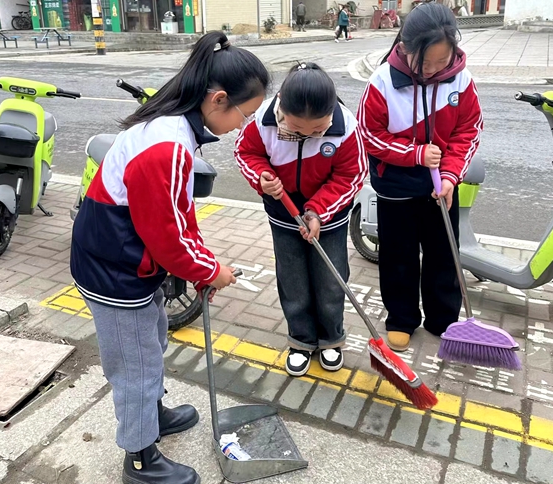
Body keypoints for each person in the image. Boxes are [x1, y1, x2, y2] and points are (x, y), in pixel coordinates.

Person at [70, 31, 269, 484]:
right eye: (246, 114)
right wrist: (208, 270)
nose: (244, 125)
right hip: (113, 272)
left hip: (124, 259)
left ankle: (152, 413)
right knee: (135, 365)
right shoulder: (167, 146)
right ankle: (139, 459)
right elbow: (166, 239)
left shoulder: (176, 125)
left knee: (152, 340)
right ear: (218, 100)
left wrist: (203, 264)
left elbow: (178, 215)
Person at [356, 3, 483, 352]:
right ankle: (401, 319)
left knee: (444, 253)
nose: (433, 70)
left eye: (441, 62)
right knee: (399, 255)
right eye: (425, 63)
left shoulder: (461, 79)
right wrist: (413, 154)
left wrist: (450, 176)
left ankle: (443, 319)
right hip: (395, 186)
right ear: (404, 47)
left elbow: (468, 130)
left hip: (439, 185)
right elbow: (368, 134)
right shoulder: (382, 81)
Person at [235, 63, 368, 377]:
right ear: (281, 104)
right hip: (283, 217)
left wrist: (317, 211)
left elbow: (351, 175)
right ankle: (301, 340)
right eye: (297, 130)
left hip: (329, 219)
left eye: (318, 130)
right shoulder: (263, 121)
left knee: (331, 282)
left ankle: (331, 339)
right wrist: (263, 178)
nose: (308, 135)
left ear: (332, 111)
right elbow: (246, 153)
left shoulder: (346, 126)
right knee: (293, 281)